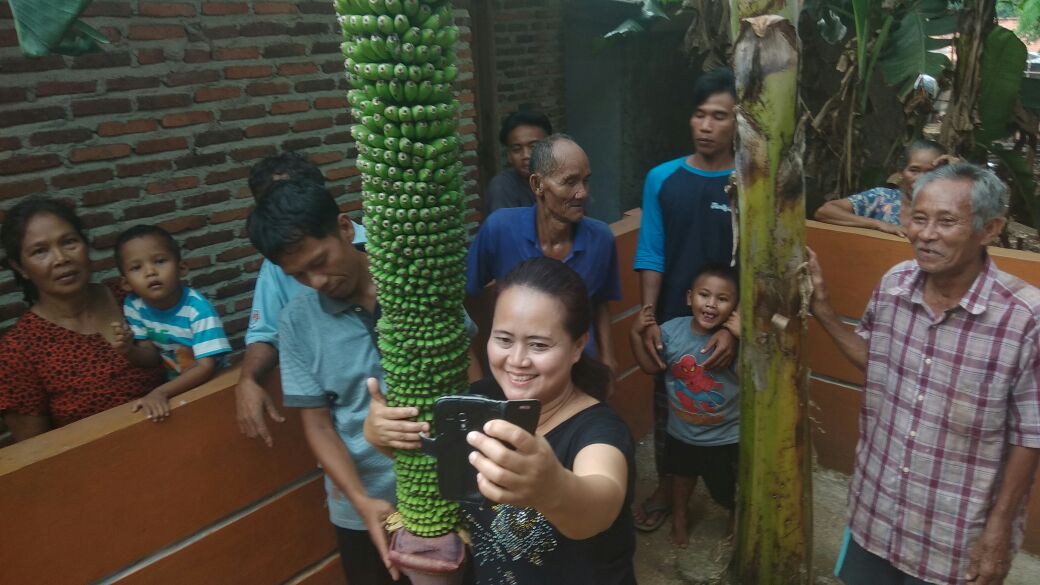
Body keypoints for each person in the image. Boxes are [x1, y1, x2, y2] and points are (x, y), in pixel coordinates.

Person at [809, 163, 1040, 585]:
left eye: (946, 221)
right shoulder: (895, 284)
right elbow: (876, 360)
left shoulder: (1025, 317)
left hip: (954, 534)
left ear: (989, 229)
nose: (926, 234)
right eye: (919, 218)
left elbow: (1031, 432)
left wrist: (999, 527)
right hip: (877, 508)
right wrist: (823, 311)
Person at [368, 257, 636, 584]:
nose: (517, 360)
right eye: (504, 339)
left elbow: (600, 504)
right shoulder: (477, 403)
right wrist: (382, 436)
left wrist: (555, 488)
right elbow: (435, 465)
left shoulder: (598, 430)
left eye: (539, 345)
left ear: (577, 346)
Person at [246, 179, 400, 584]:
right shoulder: (297, 323)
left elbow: (467, 370)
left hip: (448, 486)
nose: (316, 281)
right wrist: (362, 502)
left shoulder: (410, 280)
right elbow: (317, 425)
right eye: (298, 275)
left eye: (319, 261)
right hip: (363, 507)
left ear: (346, 229)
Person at [632, 68, 739, 532]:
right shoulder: (662, 178)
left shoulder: (750, 182)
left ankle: (732, 491)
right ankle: (667, 487)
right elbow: (652, 250)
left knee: (725, 407)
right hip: (677, 322)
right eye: (700, 115)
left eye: (720, 116)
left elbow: (759, 262)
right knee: (670, 410)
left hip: (732, 322)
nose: (707, 126)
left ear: (739, 123)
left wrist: (738, 326)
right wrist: (650, 316)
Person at [0, 197, 163, 441]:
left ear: (86, 246)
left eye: (69, 242)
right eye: (40, 251)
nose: (61, 258)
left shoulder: (133, 298)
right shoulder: (20, 350)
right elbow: (35, 454)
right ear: (20, 267)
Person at [235, 151, 368, 447]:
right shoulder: (287, 297)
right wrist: (247, 379)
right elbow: (266, 333)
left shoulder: (384, 252)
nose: (316, 282)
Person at [466, 133, 621, 374]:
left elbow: (599, 302)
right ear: (538, 185)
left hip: (579, 373)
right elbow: (466, 294)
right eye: (570, 182)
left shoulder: (601, 239)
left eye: (585, 181)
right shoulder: (499, 230)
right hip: (518, 372)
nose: (583, 193)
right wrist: (474, 368)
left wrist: (609, 359)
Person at [629, 264, 740, 548]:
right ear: (690, 298)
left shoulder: (735, 344)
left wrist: (743, 338)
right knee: (680, 480)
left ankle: (736, 517)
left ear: (735, 308)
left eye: (723, 299)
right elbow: (651, 367)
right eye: (705, 295)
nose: (712, 304)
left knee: (728, 489)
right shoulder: (671, 332)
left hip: (724, 436)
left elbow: (750, 378)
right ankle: (680, 517)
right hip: (681, 433)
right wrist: (634, 335)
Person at [110, 225, 232, 422]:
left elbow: (206, 367)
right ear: (125, 283)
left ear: (181, 268)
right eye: (136, 267)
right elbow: (150, 356)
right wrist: (128, 350)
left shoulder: (198, 310)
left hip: (215, 386)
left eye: (159, 261)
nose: (150, 272)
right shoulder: (134, 305)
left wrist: (160, 392)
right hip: (178, 389)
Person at [814, 139, 949, 237]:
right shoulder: (882, 198)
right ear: (901, 172)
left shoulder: (950, 208)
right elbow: (825, 212)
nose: (921, 178)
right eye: (914, 170)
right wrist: (880, 225)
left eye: (931, 172)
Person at [485, 111, 553, 214]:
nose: (526, 155)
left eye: (533, 147)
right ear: (509, 156)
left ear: (550, 147)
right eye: (517, 149)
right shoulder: (502, 187)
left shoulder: (565, 179)